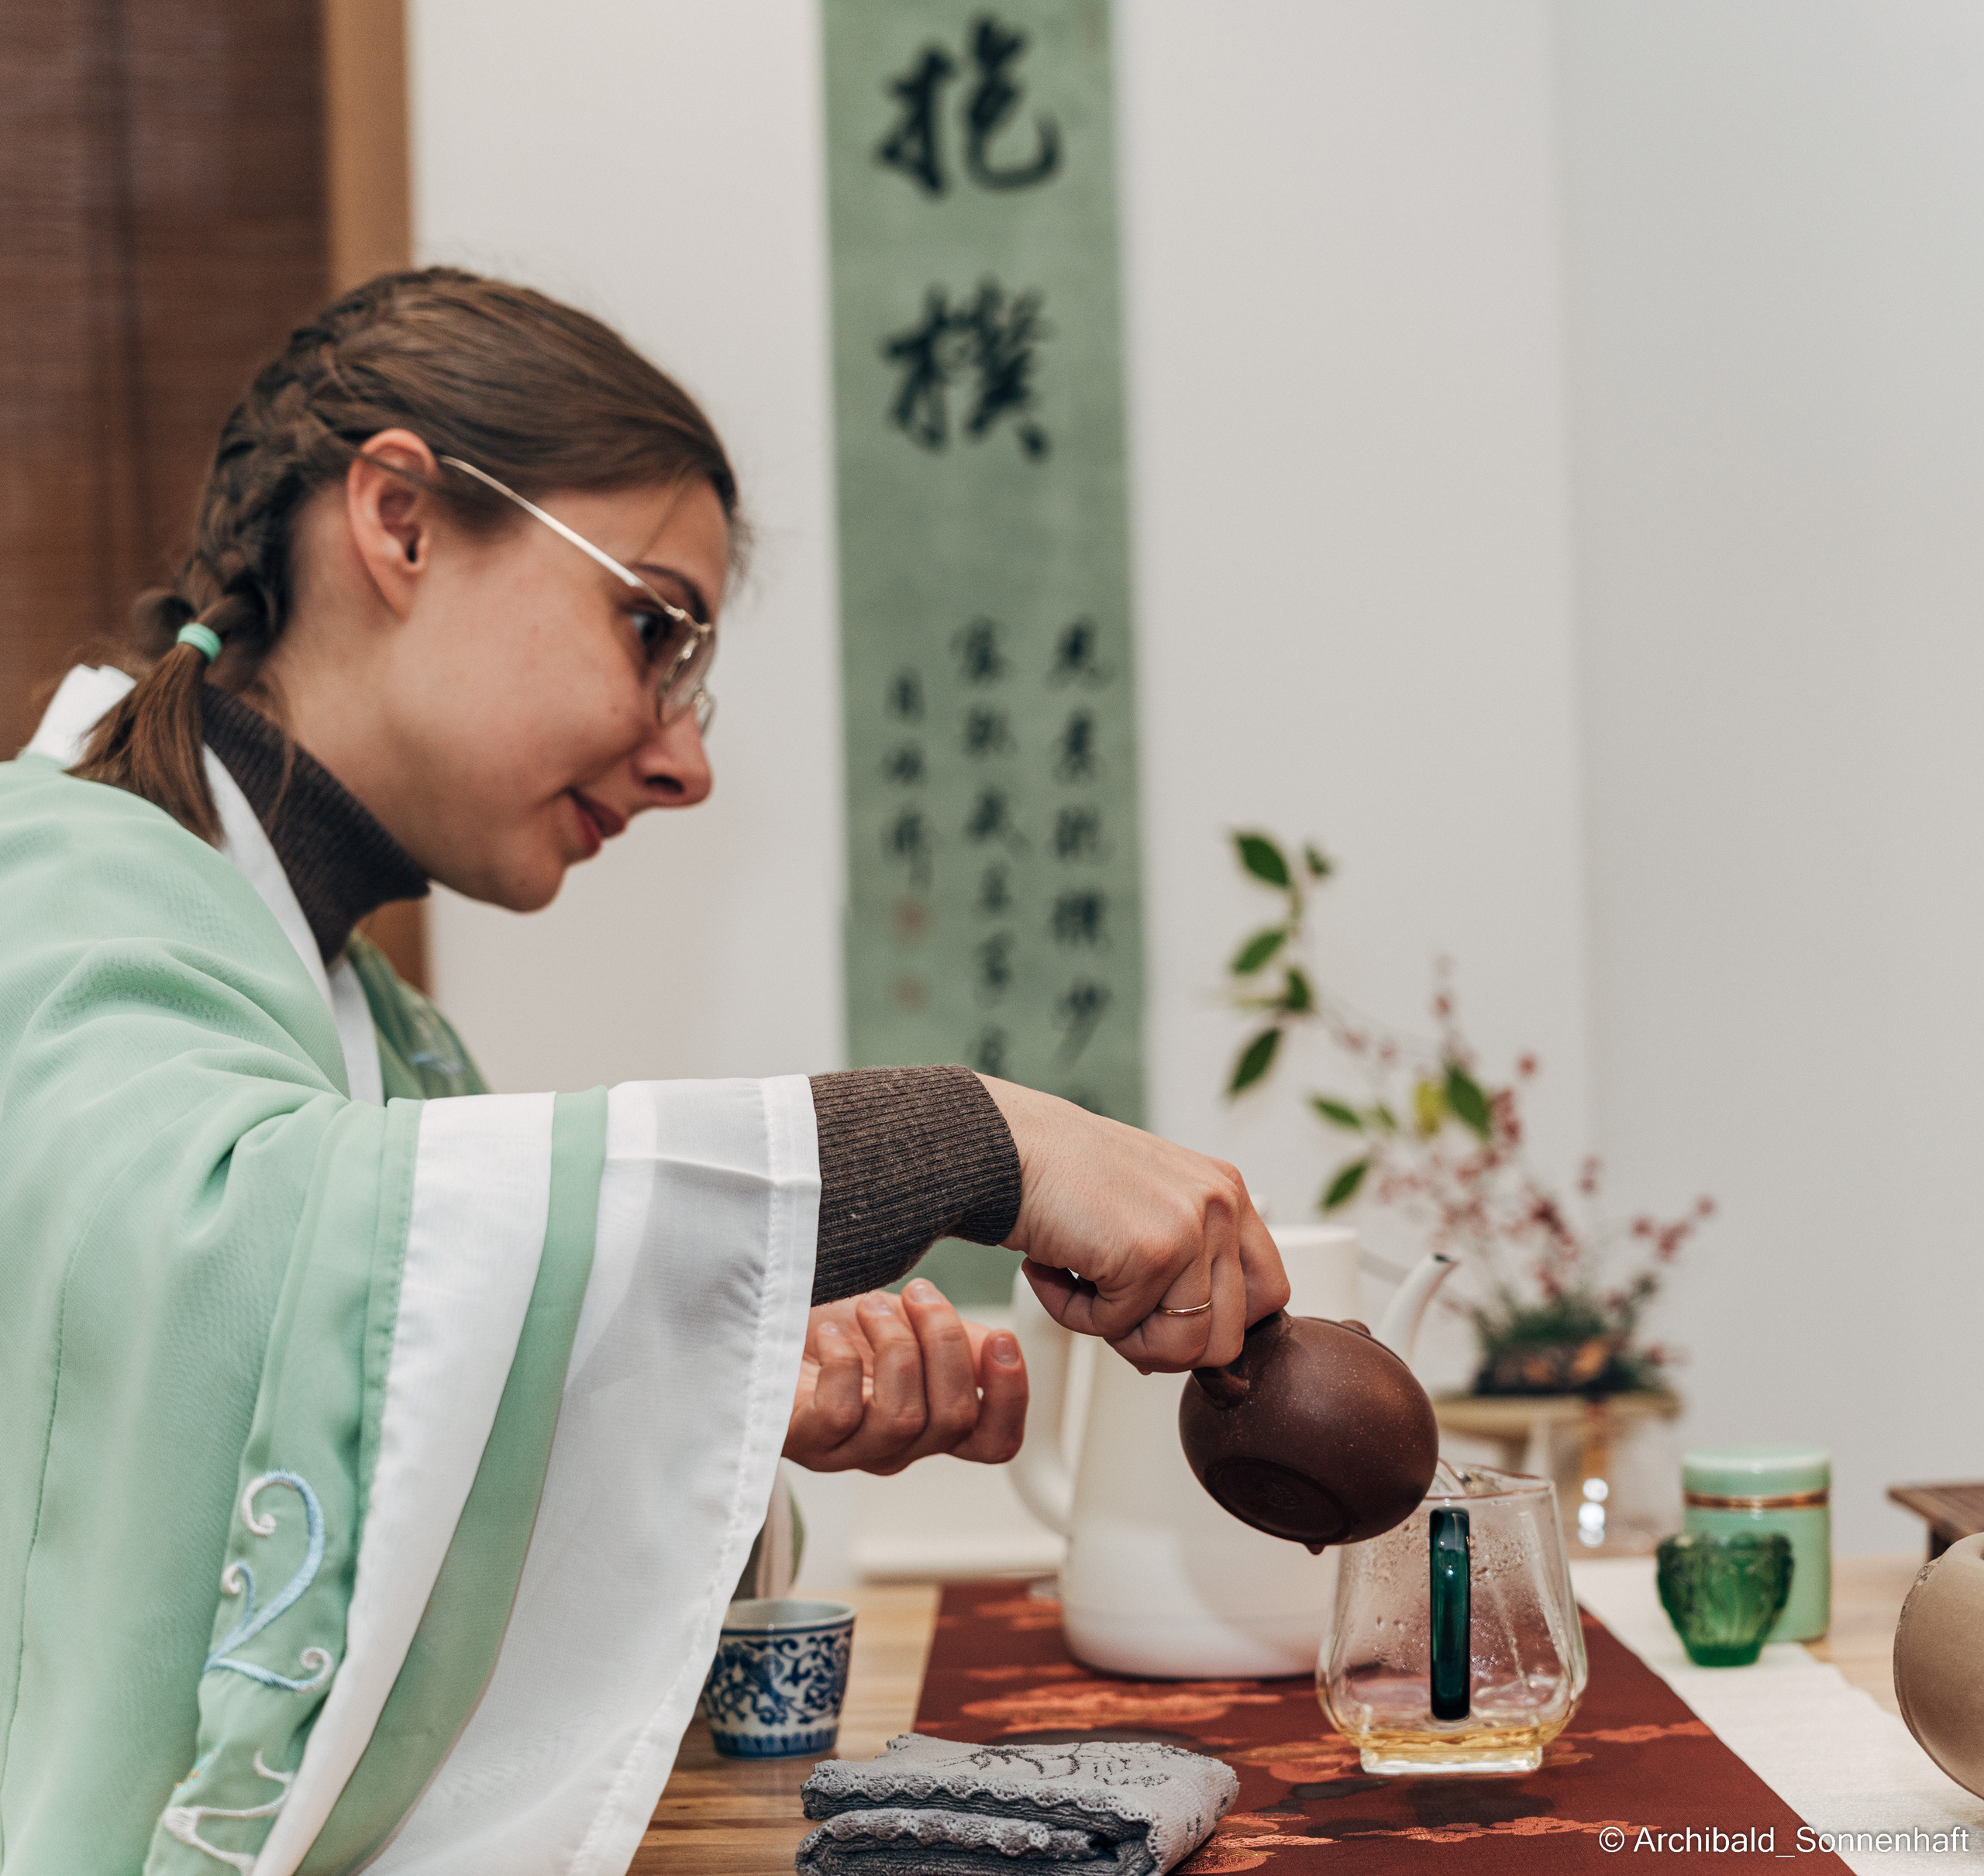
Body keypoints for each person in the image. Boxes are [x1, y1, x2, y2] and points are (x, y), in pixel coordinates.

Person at [0, 268, 1286, 1876]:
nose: (685, 758)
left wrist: (713, 1384)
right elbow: (232, 1256)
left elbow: (376, 1422)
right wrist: (969, 1138)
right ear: (398, 518)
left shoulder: (384, 1031)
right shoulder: (47, 882)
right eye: (653, 628)